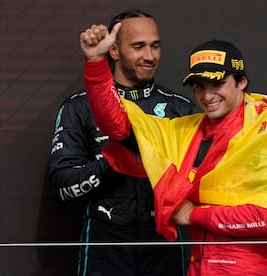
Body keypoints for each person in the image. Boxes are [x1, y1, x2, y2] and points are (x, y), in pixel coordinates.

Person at [80, 23, 267, 275]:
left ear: (241, 82)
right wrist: (95, 63)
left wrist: (193, 215)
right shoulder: (184, 131)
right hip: (197, 267)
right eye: (199, 86)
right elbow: (118, 126)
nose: (207, 96)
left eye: (217, 84)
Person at [46, 9, 197, 276]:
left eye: (155, 46)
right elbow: (61, 186)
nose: (149, 56)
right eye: (138, 47)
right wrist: (114, 163)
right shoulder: (79, 107)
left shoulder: (180, 108)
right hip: (106, 243)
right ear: (114, 51)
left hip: (165, 242)